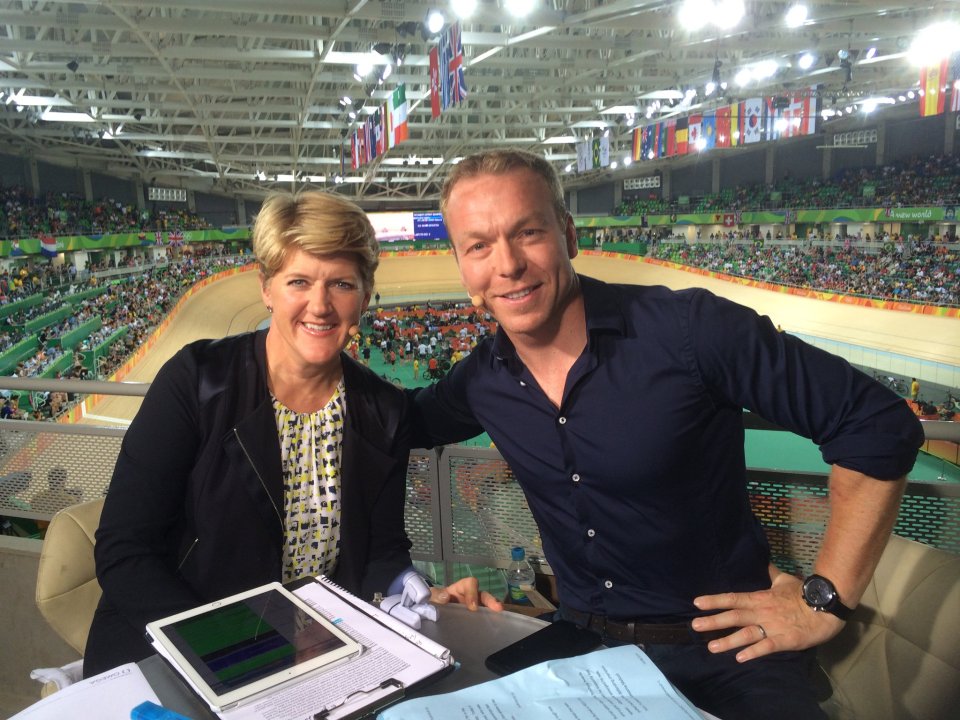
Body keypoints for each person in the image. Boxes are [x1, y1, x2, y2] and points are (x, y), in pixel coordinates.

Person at [410, 149, 924, 720]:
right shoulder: (481, 379)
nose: (506, 264)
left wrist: (822, 601)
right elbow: (390, 422)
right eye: (478, 245)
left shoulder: (691, 330)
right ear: (461, 265)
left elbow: (875, 423)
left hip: (727, 652)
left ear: (568, 234)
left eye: (527, 232)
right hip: (582, 647)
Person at [86, 191, 500, 678]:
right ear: (267, 289)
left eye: (341, 284)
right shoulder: (196, 381)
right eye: (298, 281)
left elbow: (381, 549)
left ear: (364, 297)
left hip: (313, 657)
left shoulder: (383, 409)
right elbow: (124, 551)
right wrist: (229, 647)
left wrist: (407, 582)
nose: (320, 306)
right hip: (180, 655)